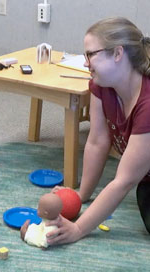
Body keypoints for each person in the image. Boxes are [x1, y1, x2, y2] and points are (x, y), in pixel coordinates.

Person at [46, 17, 150, 246]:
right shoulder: (102, 86)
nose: (86, 63)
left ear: (118, 53)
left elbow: (123, 181)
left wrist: (78, 229)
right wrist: (80, 196)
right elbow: (97, 141)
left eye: (91, 54)